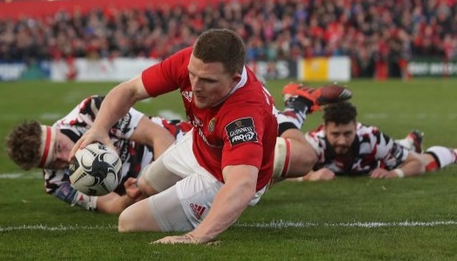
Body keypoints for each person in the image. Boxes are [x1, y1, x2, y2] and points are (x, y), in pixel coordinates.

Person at [70, 29, 329, 244]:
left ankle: (271, 160)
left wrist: (196, 237)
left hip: (219, 177)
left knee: (128, 221)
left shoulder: (243, 114)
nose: (194, 86)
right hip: (198, 144)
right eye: (193, 74)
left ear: (234, 79)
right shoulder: (192, 63)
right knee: (144, 186)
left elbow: (240, 186)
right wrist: (99, 128)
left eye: (206, 80)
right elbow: (130, 89)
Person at [6, 95, 191, 214]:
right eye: (52, 164)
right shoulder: (56, 183)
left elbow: (159, 136)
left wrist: (155, 186)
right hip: (148, 192)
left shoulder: (91, 111)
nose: (65, 158)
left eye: (58, 147)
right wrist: (131, 197)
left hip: (180, 143)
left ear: (53, 130)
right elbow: (112, 205)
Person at [277, 89, 457, 180]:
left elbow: (417, 165)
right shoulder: (314, 143)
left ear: (356, 127)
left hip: (382, 159)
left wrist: (395, 174)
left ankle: (453, 153)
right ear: (325, 129)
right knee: (403, 149)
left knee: (426, 162)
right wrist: (310, 177)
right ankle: (409, 142)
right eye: (335, 134)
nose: (342, 140)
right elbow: (280, 167)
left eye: (348, 133)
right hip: (374, 159)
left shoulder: (372, 137)